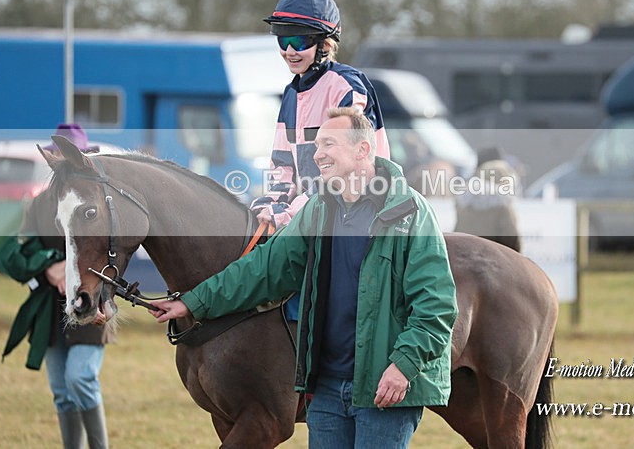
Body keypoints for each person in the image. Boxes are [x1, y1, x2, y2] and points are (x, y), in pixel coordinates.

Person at [151, 109, 457, 448]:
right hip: (325, 389)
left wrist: (403, 366)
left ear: (363, 151)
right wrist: (192, 302)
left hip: (382, 391)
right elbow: (264, 269)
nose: (317, 154)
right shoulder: (319, 209)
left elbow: (437, 305)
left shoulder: (410, 212)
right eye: (316, 145)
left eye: (329, 144)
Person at [250, 0, 390, 319]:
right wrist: (272, 204)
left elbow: (345, 171)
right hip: (311, 211)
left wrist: (291, 213)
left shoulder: (347, 87)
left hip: (358, 205)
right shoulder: (290, 93)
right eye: (283, 41)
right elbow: (283, 165)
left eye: (299, 42)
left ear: (325, 44)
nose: (289, 51)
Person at [0, 123, 113, 449]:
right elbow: (13, 252)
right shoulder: (39, 203)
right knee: (61, 391)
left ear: (84, 159)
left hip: (91, 302)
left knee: (80, 378)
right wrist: (49, 267)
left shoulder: (102, 200)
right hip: (51, 310)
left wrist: (106, 301)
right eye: (59, 160)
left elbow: (114, 254)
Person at [454, 145, 522, 251]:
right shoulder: (503, 202)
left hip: (462, 254)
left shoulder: (463, 198)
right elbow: (511, 237)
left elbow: (457, 231)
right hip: (494, 260)